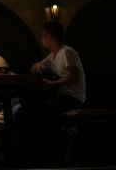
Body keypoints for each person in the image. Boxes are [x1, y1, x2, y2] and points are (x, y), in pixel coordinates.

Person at [18, 21, 86, 162]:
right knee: (28, 103)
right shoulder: (53, 54)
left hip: (72, 98)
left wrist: (51, 83)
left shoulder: (66, 52)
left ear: (50, 36)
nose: (41, 38)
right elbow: (33, 68)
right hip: (62, 96)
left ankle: (49, 153)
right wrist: (38, 65)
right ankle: (39, 151)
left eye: (43, 35)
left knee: (38, 109)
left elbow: (73, 77)